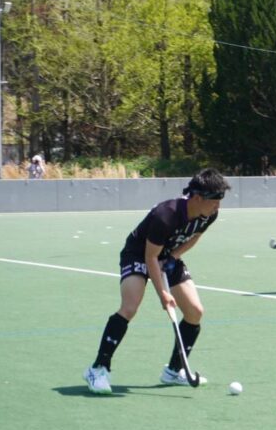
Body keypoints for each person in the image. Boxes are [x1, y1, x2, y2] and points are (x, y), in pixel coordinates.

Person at [83, 168, 231, 394]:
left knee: (195, 312)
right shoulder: (166, 215)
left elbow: (194, 238)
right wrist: (163, 293)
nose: (218, 206)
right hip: (138, 253)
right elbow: (150, 256)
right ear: (198, 197)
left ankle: (174, 370)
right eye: (215, 200)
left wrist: (173, 257)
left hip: (168, 254)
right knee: (130, 307)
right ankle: (98, 368)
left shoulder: (209, 214)